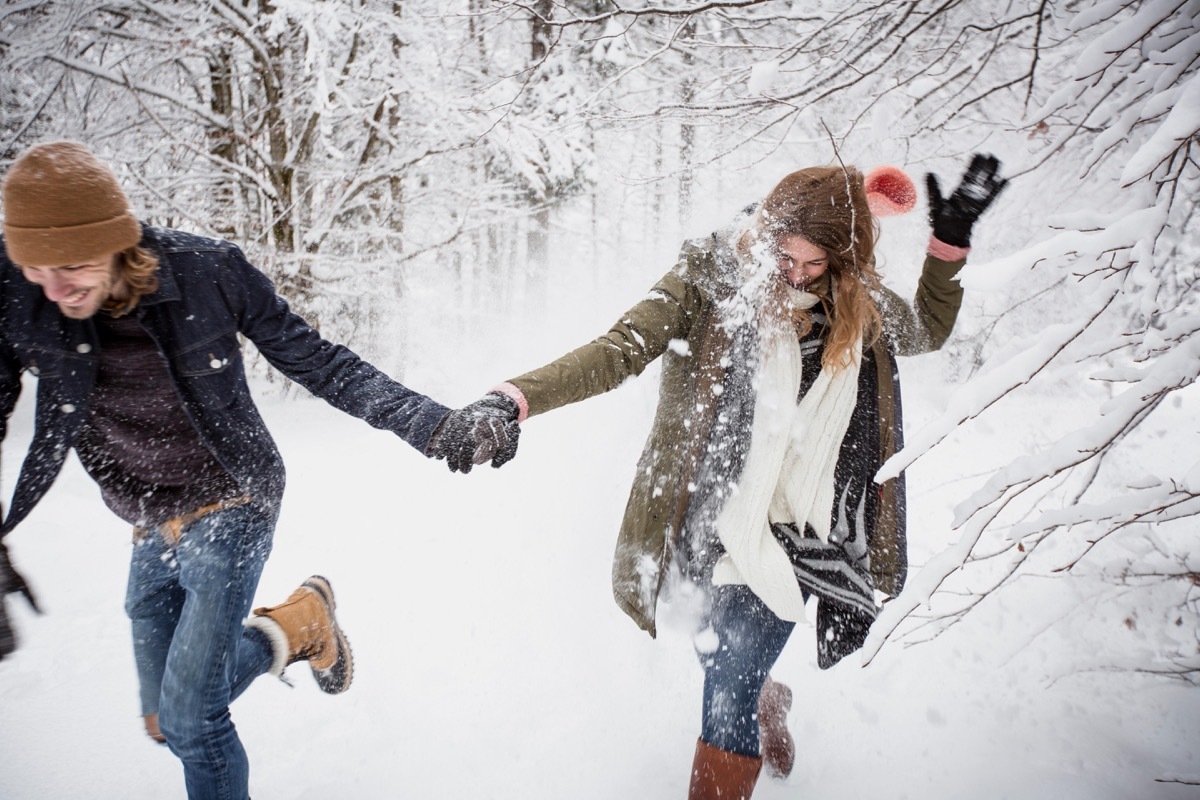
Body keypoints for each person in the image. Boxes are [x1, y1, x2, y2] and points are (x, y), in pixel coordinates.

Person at [430, 155, 1006, 798]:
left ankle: (740, 718)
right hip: (715, 514)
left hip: (803, 530)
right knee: (719, 655)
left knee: (729, 671)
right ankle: (765, 700)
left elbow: (925, 329)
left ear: (844, 259)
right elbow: (619, 348)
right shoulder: (710, 277)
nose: (794, 273)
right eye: (783, 254)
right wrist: (514, 399)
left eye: (814, 263)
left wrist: (948, 244)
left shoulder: (856, 302)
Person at [0, 141, 473, 800]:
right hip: (145, 515)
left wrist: (431, 423)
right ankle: (301, 623)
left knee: (195, 718)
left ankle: (296, 627)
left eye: (73, 266)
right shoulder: (18, 295)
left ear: (118, 243)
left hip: (232, 500)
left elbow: (318, 360)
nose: (53, 289)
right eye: (35, 269)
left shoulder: (207, 272)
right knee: (166, 720)